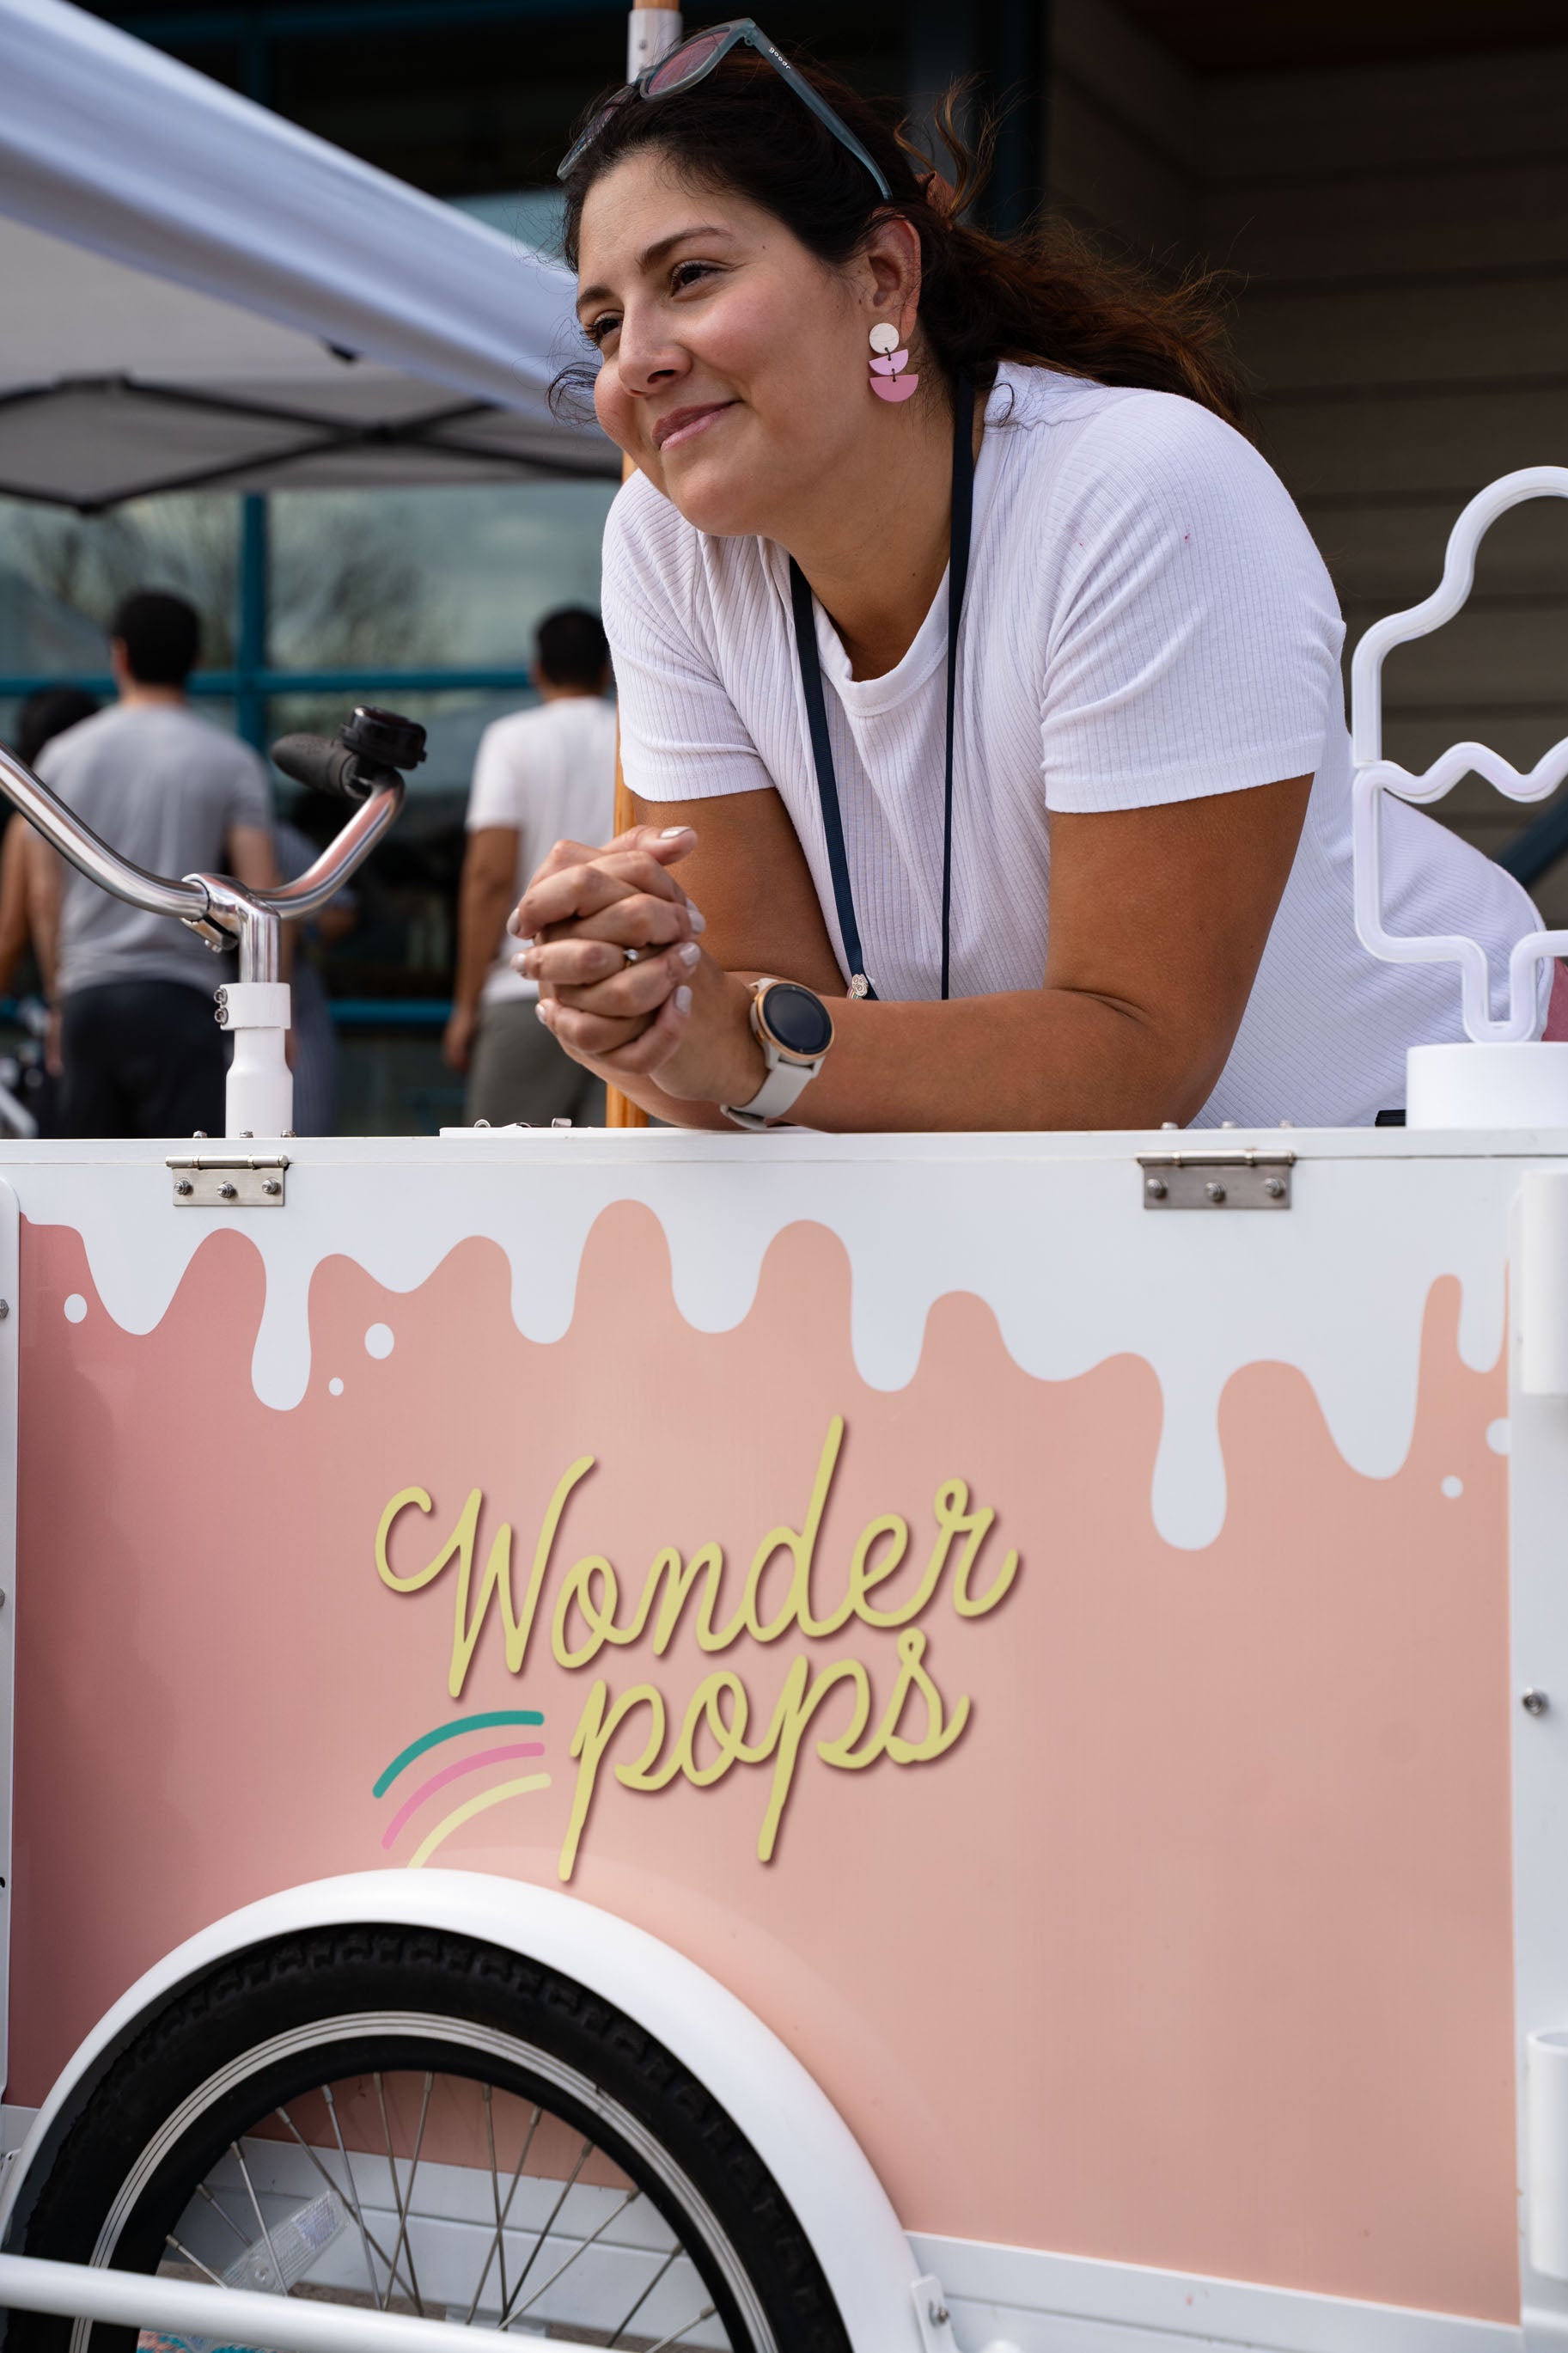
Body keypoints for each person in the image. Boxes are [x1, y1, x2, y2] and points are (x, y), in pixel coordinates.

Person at [510, 31, 1553, 1133]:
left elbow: (1134, 1054)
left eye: (691, 276)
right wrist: (650, 1014)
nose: (639, 359)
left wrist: (738, 1039)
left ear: (882, 275)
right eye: (605, 323)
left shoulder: (1136, 488)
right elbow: (771, 1058)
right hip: (1133, 1206)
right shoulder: (662, 544)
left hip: (1460, 1135)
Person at [32, 590, 276, 1140]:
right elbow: (259, 900)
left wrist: (57, 1001)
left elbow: (44, 897)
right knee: (183, 1191)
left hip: (90, 996)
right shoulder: (231, 760)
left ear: (118, 655)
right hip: (184, 998)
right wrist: (270, 1012)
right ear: (196, 660)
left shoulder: (62, 756)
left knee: (91, 1194)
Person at [443, 607, 618, 1126]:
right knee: (621, 1193)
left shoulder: (511, 739)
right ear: (608, 670)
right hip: (628, 990)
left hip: (527, 991)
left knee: (504, 1192)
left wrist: (465, 1006)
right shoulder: (639, 732)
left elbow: (489, 880)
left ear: (536, 669)